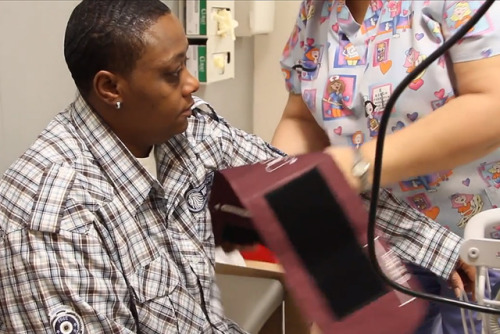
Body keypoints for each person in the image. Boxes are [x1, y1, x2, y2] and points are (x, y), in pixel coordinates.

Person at [0, 0, 475, 333]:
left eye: (187, 62)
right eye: (172, 73)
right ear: (111, 88)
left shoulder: (191, 131)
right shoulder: (51, 216)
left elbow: (296, 180)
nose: (194, 82)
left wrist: (436, 244)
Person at [274, 0, 500, 333]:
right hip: (388, 244)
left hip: (482, 243)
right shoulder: (316, 10)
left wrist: (361, 164)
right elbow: (302, 118)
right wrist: (270, 188)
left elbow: (492, 106)